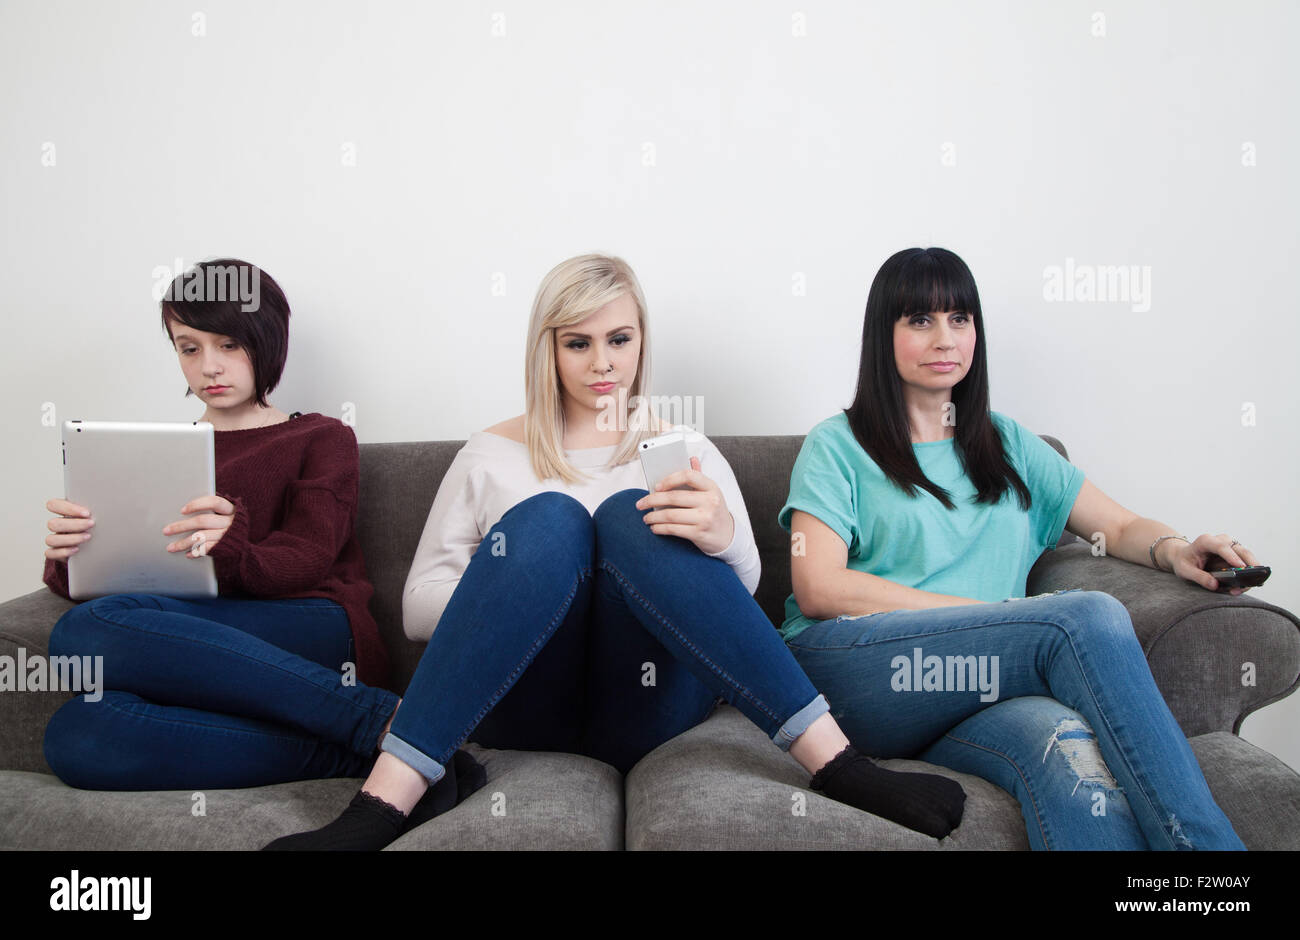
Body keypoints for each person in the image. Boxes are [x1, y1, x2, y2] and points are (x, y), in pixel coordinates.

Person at [266, 253, 969, 850]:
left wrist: (722, 534)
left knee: (631, 522)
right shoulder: (490, 454)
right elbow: (418, 607)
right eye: (578, 343)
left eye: (619, 339)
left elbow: (743, 592)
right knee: (551, 521)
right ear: (549, 348)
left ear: (641, 343)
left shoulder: (683, 448)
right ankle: (381, 805)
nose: (603, 363)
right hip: (528, 699)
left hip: (651, 702)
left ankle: (838, 763)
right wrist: (528, 584)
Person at [780, 246, 1253, 850]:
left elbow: (1121, 525)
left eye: (961, 318)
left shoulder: (1008, 444)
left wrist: (1176, 549)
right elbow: (818, 588)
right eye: (920, 320)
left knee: (1064, 747)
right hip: (856, 677)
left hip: (973, 684)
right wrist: (988, 619)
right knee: (1084, 617)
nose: (945, 338)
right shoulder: (837, 446)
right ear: (884, 335)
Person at [41, 259, 479, 828]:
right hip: (195, 635)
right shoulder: (151, 454)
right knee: (77, 732)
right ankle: (353, 753)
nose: (209, 366)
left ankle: (374, 715)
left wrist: (233, 544)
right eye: (188, 347)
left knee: (80, 631)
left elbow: (308, 558)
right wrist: (70, 555)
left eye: (228, 344)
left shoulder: (321, 436)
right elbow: (123, 589)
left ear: (267, 342)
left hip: (313, 625)